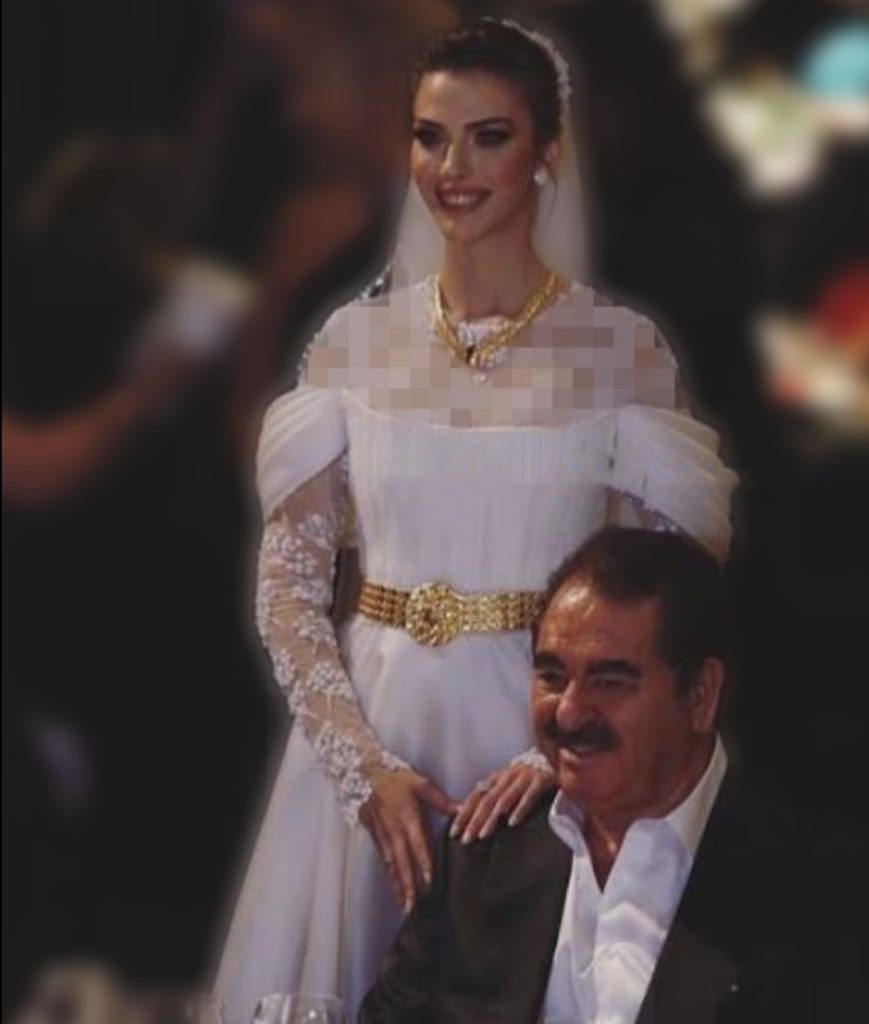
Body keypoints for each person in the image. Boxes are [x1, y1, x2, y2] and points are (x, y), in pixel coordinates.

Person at [215, 19, 736, 1021]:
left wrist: (554, 756)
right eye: (430, 137)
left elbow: (667, 592)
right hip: (368, 743)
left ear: (547, 153)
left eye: (488, 137)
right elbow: (287, 588)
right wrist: (361, 768)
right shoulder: (351, 343)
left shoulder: (621, 352)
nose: (453, 170)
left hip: (540, 744)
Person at [361, 527, 869, 1023]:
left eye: (610, 682)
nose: (569, 712)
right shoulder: (484, 853)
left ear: (700, 695)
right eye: (552, 676)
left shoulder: (823, 896)